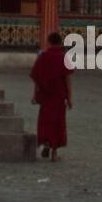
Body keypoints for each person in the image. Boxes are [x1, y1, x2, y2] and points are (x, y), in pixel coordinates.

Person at [29, 31, 73, 161]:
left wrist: (34, 95)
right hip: (59, 96)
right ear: (60, 42)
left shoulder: (43, 56)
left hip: (46, 95)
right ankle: (54, 153)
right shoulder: (63, 57)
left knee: (46, 121)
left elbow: (36, 77)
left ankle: (46, 143)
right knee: (58, 123)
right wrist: (69, 97)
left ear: (49, 42)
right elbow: (67, 79)